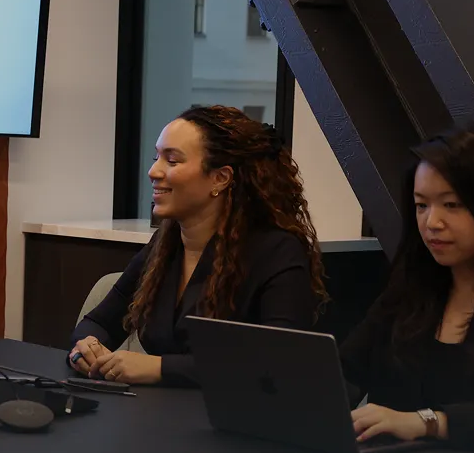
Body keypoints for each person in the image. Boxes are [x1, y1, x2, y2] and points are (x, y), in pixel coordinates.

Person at [69, 105, 328, 387]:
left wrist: (161, 369)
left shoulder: (277, 251)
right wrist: (88, 346)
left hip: (234, 412)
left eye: (172, 161)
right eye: (157, 157)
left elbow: (279, 360)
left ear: (220, 178)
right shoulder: (165, 244)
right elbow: (99, 322)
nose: (153, 171)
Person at [344, 125, 474, 446]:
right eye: (422, 205)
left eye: (452, 205)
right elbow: (345, 369)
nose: (432, 222)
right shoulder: (410, 288)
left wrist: (428, 423)